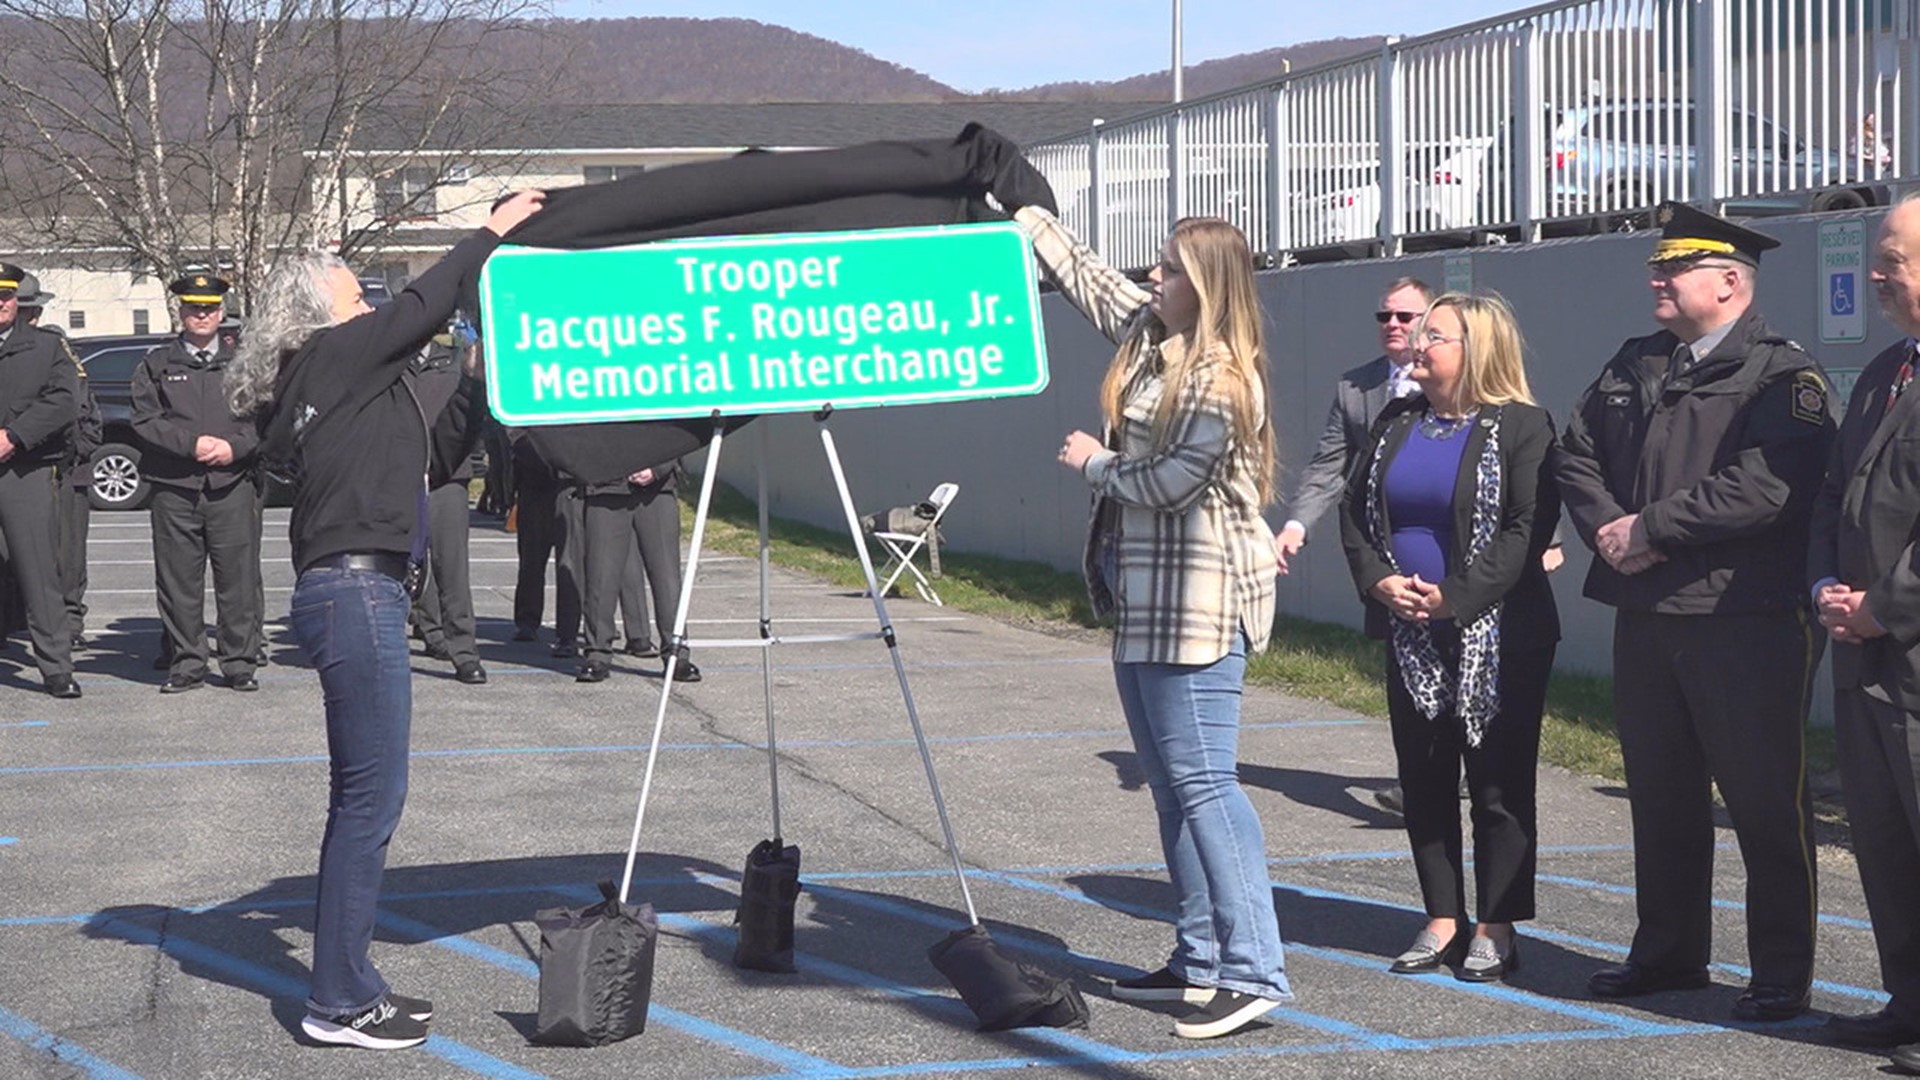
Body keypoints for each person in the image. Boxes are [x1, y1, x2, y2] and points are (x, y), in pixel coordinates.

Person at [224, 189, 544, 1050]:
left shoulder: (360, 387)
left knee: (367, 798)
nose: (369, 300)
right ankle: (337, 1000)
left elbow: (435, 457)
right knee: (370, 801)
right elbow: (424, 300)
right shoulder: (330, 357)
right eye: (354, 291)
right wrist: (491, 232)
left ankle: (347, 982)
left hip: (361, 594)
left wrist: (477, 382)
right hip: (354, 593)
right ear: (316, 314)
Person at [1008, 200, 1291, 1039]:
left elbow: (1172, 484)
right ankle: (1198, 959)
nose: (1152, 280)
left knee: (1208, 787)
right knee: (1174, 791)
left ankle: (1253, 970)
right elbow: (1093, 286)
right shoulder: (1152, 338)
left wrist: (1096, 464)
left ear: (1205, 286)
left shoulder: (1221, 378)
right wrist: (1026, 215)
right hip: (1145, 606)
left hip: (1203, 610)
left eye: (1168, 270)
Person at [1557, 202, 1832, 1022]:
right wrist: (1610, 530)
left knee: (1762, 800)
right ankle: (1669, 952)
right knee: (1662, 793)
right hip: (1648, 608)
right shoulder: (1638, 359)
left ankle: (1781, 970)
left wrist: (1651, 527)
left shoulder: (1784, 374)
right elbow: (1576, 451)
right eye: (1660, 267)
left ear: (1729, 282)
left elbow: (1768, 486)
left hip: (1742, 616)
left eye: (1675, 269)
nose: (1658, 279)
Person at [1339, 292, 1560, 981]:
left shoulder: (1523, 427)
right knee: (1424, 778)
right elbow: (1354, 511)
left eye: (1434, 335)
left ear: (1475, 351)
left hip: (1500, 634)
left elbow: (1526, 529)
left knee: (1497, 784)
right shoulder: (1397, 420)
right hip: (1410, 634)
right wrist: (1379, 581)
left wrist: (1452, 600)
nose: (1416, 344)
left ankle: (1496, 923)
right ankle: (1442, 918)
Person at [1811, 194, 1920, 1067]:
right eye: (1880, 260)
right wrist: (1825, 584)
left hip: (1910, 645)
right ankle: (1909, 999)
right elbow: (1834, 492)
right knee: (1883, 841)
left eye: (1897, 261)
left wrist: (1887, 603)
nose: (1878, 276)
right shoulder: (1889, 369)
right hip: (1862, 654)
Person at [132, 274, 265, 693]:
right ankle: (187, 662)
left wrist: (235, 448)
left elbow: (265, 419)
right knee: (177, 582)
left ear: (221, 312)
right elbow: (144, 421)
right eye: (193, 307)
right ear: (181, 312)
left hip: (231, 483)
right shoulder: (156, 364)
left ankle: (239, 663)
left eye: (209, 307)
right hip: (175, 486)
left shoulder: (244, 363)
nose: (202, 314)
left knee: (237, 580)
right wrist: (191, 444)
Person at [0, 261, 81, 698]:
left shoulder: (47, 347)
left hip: (23, 470)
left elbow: (64, 401)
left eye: (6, 297)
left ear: (17, 300)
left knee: (38, 572)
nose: (0, 304)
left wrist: (15, 435)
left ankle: (56, 668)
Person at [13, 275, 98, 652]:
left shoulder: (54, 348)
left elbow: (80, 409)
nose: (32, 315)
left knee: (65, 554)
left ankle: (69, 622)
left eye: (33, 309)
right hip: (24, 466)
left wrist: (73, 453)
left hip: (63, 465)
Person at [406, 329, 488, 685]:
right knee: (406, 566)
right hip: (401, 476)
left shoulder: (454, 360)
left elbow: (469, 414)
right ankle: (429, 629)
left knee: (451, 567)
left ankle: (464, 652)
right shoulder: (391, 364)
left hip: (448, 475)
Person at [574, 460, 694, 683]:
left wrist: (657, 469)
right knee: (601, 575)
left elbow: (677, 431)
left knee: (667, 577)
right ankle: (597, 654)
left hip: (657, 489)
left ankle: (676, 653)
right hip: (605, 486)